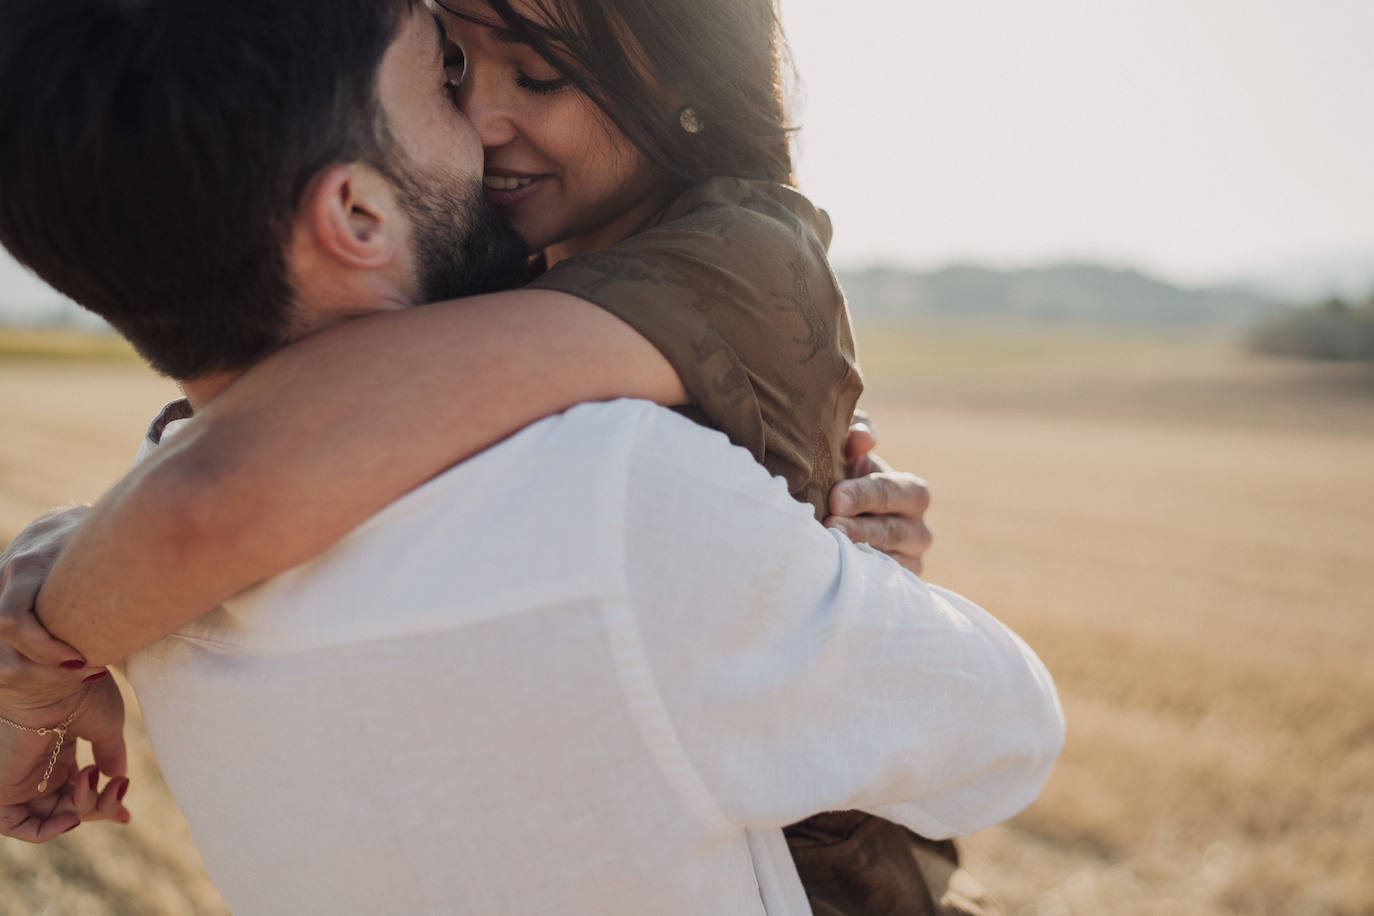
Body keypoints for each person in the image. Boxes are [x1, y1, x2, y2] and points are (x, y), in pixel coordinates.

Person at [0, 0, 1063, 912]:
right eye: (449, 67)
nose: (480, 116)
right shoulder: (604, 490)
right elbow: (235, 475)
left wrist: (46, 635)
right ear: (356, 214)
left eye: (539, 74)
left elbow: (230, 475)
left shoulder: (739, 257)